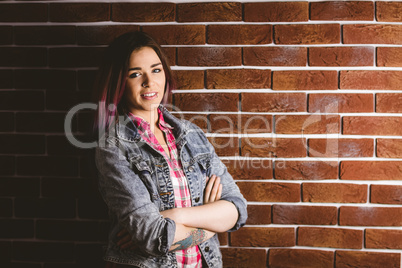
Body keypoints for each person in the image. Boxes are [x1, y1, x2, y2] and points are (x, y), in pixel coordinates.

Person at [92, 31, 247, 268]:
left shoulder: (191, 134)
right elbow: (153, 237)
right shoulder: (113, 146)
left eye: (156, 70)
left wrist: (176, 216)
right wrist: (210, 225)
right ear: (119, 81)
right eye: (135, 74)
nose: (149, 82)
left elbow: (236, 208)